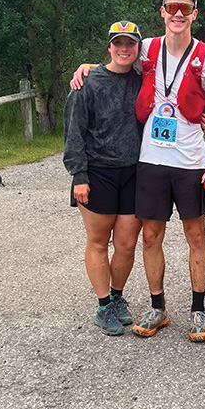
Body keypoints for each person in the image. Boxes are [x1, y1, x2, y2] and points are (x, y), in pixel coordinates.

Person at [71, 0, 205, 342]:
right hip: (151, 160)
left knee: (195, 235)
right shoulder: (148, 49)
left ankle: (198, 310)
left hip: (190, 160)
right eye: (171, 6)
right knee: (151, 235)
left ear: (194, 15)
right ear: (162, 11)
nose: (177, 13)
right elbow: (117, 60)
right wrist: (86, 67)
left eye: (185, 8)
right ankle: (158, 307)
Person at [63, 20, 144, 336]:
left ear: (137, 48)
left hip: (134, 171)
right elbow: (74, 133)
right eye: (118, 43)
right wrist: (79, 174)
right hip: (96, 174)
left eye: (130, 44)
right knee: (98, 241)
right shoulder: (88, 83)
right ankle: (102, 305)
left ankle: (117, 296)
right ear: (109, 46)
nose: (124, 49)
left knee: (126, 243)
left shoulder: (142, 79)